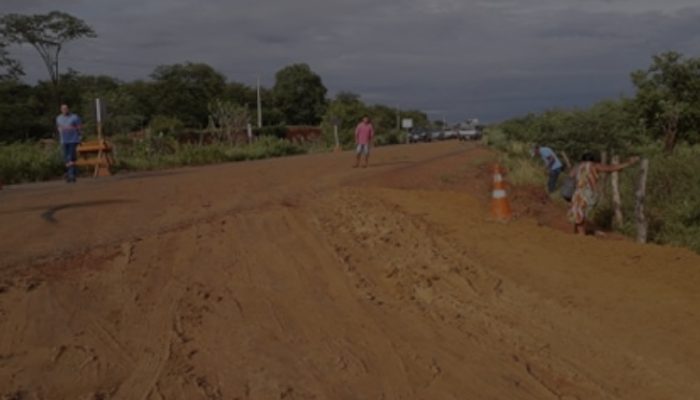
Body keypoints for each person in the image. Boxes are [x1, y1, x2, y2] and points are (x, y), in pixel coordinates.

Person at [568, 152, 639, 235]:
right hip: (588, 193)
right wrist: (628, 163)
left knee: (578, 212)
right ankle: (581, 235)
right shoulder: (593, 165)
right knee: (583, 213)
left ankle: (579, 233)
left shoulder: (578, 166)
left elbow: (571, 175)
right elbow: (610, 168)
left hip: (577, 192)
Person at [56, 104, 83, 183]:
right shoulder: (58, 118)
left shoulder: (74, 117)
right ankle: (71, 173)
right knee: (66, 158)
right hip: (64, 140)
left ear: (68, 109)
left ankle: (71, 175)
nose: (64, 110)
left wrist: (80, 136)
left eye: (66, 108)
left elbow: (79, 127)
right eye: (63, 109)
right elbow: (58, 127)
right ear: (61, 110)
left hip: (73, 140)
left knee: (71, 157)